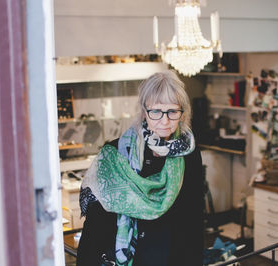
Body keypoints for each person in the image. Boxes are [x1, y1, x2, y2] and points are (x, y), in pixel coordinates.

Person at [77, 70, 204, 266]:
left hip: (171, 258)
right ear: (144, 111)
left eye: (172, 111)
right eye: (156, 111)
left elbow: (193, 216)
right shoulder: (114, 154)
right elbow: (95, 224)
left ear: (182, 112)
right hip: (128, 258)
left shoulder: (189, 153)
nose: (164, 120)